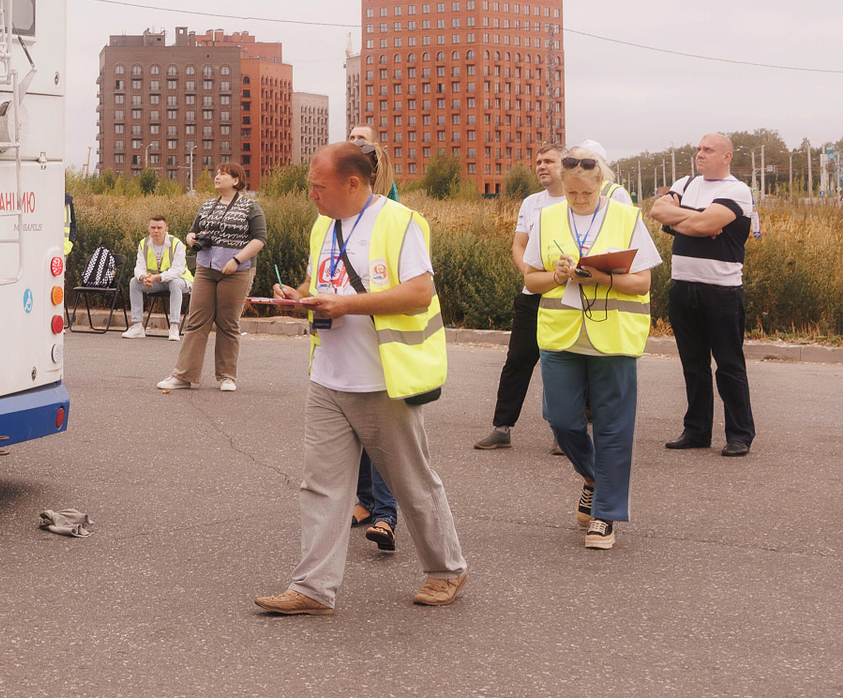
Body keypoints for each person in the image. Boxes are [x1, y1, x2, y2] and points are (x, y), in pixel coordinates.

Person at [256, 143, 468, 615]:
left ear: (353, 183)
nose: (311, 194)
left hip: (382, 381)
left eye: (318, 186)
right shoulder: (322, 225)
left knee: (412, 483)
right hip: (328, 378)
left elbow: (420, 292)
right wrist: (298, 295)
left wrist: (346, 305)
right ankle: (313, 588)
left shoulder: (401, 222)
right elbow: (321, 284)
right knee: (321, 486)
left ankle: (446, 570)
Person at [522, 143, 661, 550]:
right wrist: (556, 275)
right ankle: (595, 479)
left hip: (613, 338)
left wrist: (602, 278)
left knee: (613, 427)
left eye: (587, 192)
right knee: (561, 419)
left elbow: (643, 282)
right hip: (561, 336)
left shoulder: (626, 217)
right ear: (562, 185)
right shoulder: (547, 218)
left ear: (602, 183)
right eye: (572, 193)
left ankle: (605, 515)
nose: (580, 199)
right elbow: (531, 279)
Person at [650, 133, 757, 456]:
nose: (700, 154)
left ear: (726, 156)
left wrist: (679, 222)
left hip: (721, 291)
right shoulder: (685, 183)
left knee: (729, 365)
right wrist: (693, 221)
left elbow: (706, 225)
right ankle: (697, 430)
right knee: (692, 364)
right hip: (682, 286)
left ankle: (739, 434)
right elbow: (657, 211)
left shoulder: (736, 190)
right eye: (698, 149)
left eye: (708, 150)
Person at [474, 143, 565, 450]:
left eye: (549, 161)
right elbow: (518, 245)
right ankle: (502, 428)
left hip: (566, 298)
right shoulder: (531, 203)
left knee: (562, 365)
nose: (542, 166)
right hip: (533, 295)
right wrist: (532, 274)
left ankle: (563, 435)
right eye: (538, 161)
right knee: (517, 361)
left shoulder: (576, 201)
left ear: (565, 165)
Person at [158, 164, 267, 391]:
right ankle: (184, 376)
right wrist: (191, 237)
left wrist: (236, 260)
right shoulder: (207, 205)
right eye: (216, 173)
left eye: (223, 174)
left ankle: (227, 376)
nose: (217, 177)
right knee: (197, 320)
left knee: (228, 322)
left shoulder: (251, 206)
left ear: (236, 180)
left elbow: (259, 239)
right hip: (206, 268)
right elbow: (193, 230)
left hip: (237, 271)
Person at [122, 215, 188, 340]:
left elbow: (178, 271)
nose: (156, 231)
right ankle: (137, 326)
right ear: (148, 229)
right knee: (134, 282)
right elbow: (139, 267)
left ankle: (174, 327)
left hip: (180, 281)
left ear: (166, 229)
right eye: (153, 228)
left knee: (175, 283)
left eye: (159, 228)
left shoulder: (177, 244)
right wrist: (144, 278)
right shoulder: (143, 244)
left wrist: (157, 277)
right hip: (156, 282)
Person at [348, 125, 398, 199]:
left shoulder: (383, 176)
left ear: (375, 146)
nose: (355, 141)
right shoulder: (342, 170)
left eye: (361, 138)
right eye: (352, 138)